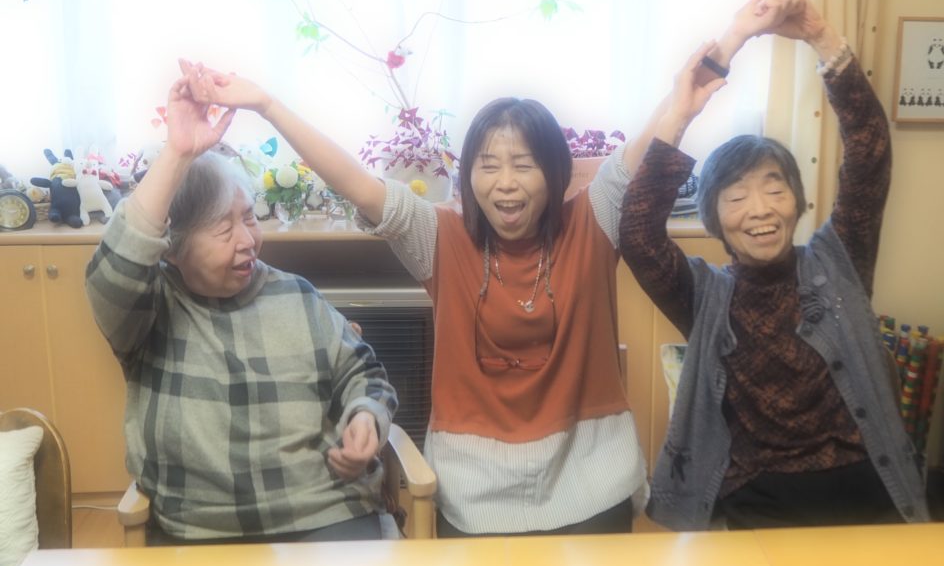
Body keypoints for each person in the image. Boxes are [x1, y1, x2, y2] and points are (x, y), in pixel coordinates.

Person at [180, 48, 723, 537]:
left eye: (524, 165)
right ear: (469, 177)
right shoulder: (439, 236)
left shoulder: (592, 219)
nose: (505, 182)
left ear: (557, 174)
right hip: (474, 494)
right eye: (488, 166)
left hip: (592, 481)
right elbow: (356, 183)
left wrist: (704, 79)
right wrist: (267, 105)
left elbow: (640, 154)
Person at [619, 0, 929, 531]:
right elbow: (639, 234)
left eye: (774, 188)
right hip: (756, 499)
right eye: (737, 197)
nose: (759, 209)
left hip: (867, 488)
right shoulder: (704, 296)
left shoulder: (839, 262)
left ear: (798, 202)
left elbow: (869, 152)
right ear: (715, 221)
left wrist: (821, 37)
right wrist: (682, 112)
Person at [85, 66, 399, 544]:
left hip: (325, 511)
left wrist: (364, 416)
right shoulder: (149, 310)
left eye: (249, 218)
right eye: (222, 228)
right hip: (201, 529)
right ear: (173, 248)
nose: (248, 240)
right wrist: (178, 153)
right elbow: (115, 269)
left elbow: (364, 373)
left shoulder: (297, 295)